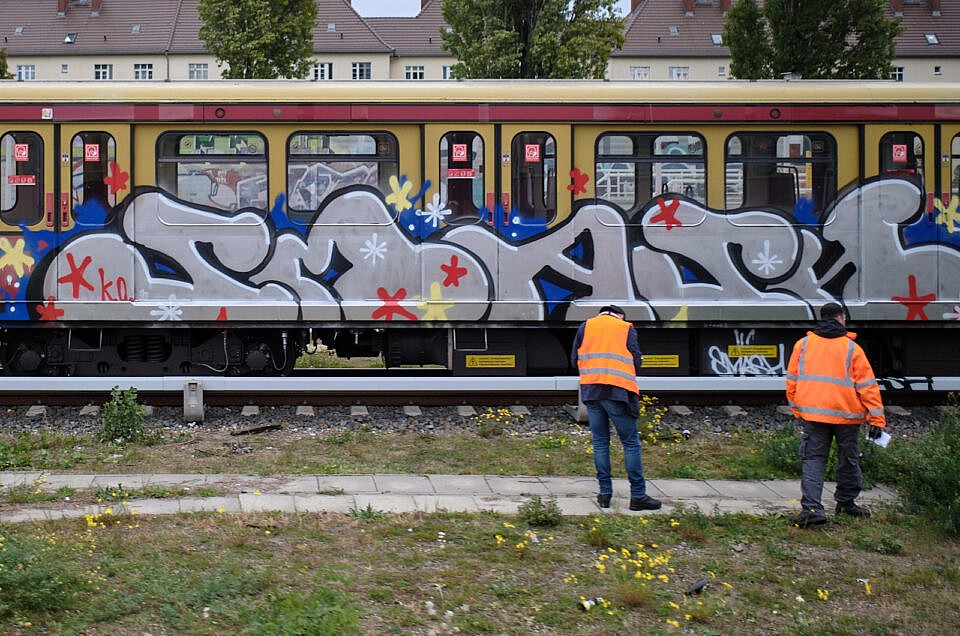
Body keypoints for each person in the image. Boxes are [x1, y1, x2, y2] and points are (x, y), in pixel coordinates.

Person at [785, 302, 887, 527]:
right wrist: (877, 419)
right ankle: (846, 503)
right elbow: (868, 387)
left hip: (813, 414)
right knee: (848, 459)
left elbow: (792, 381)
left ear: (822, 318)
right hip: (848, 416)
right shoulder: (853, 349)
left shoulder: (803, 345)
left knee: (813, 460)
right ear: (841, 319)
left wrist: (797, 409)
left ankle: (812, 509)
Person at [571, 305, 661, 512]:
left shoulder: (586, 326)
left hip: (591, 392)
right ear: (619, 315)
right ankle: (638, 496)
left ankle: (604, 495)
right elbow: (636, 360)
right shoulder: (625, 327)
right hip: (618, 393)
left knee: (600, 442)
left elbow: (574, 359)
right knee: (630, 443)